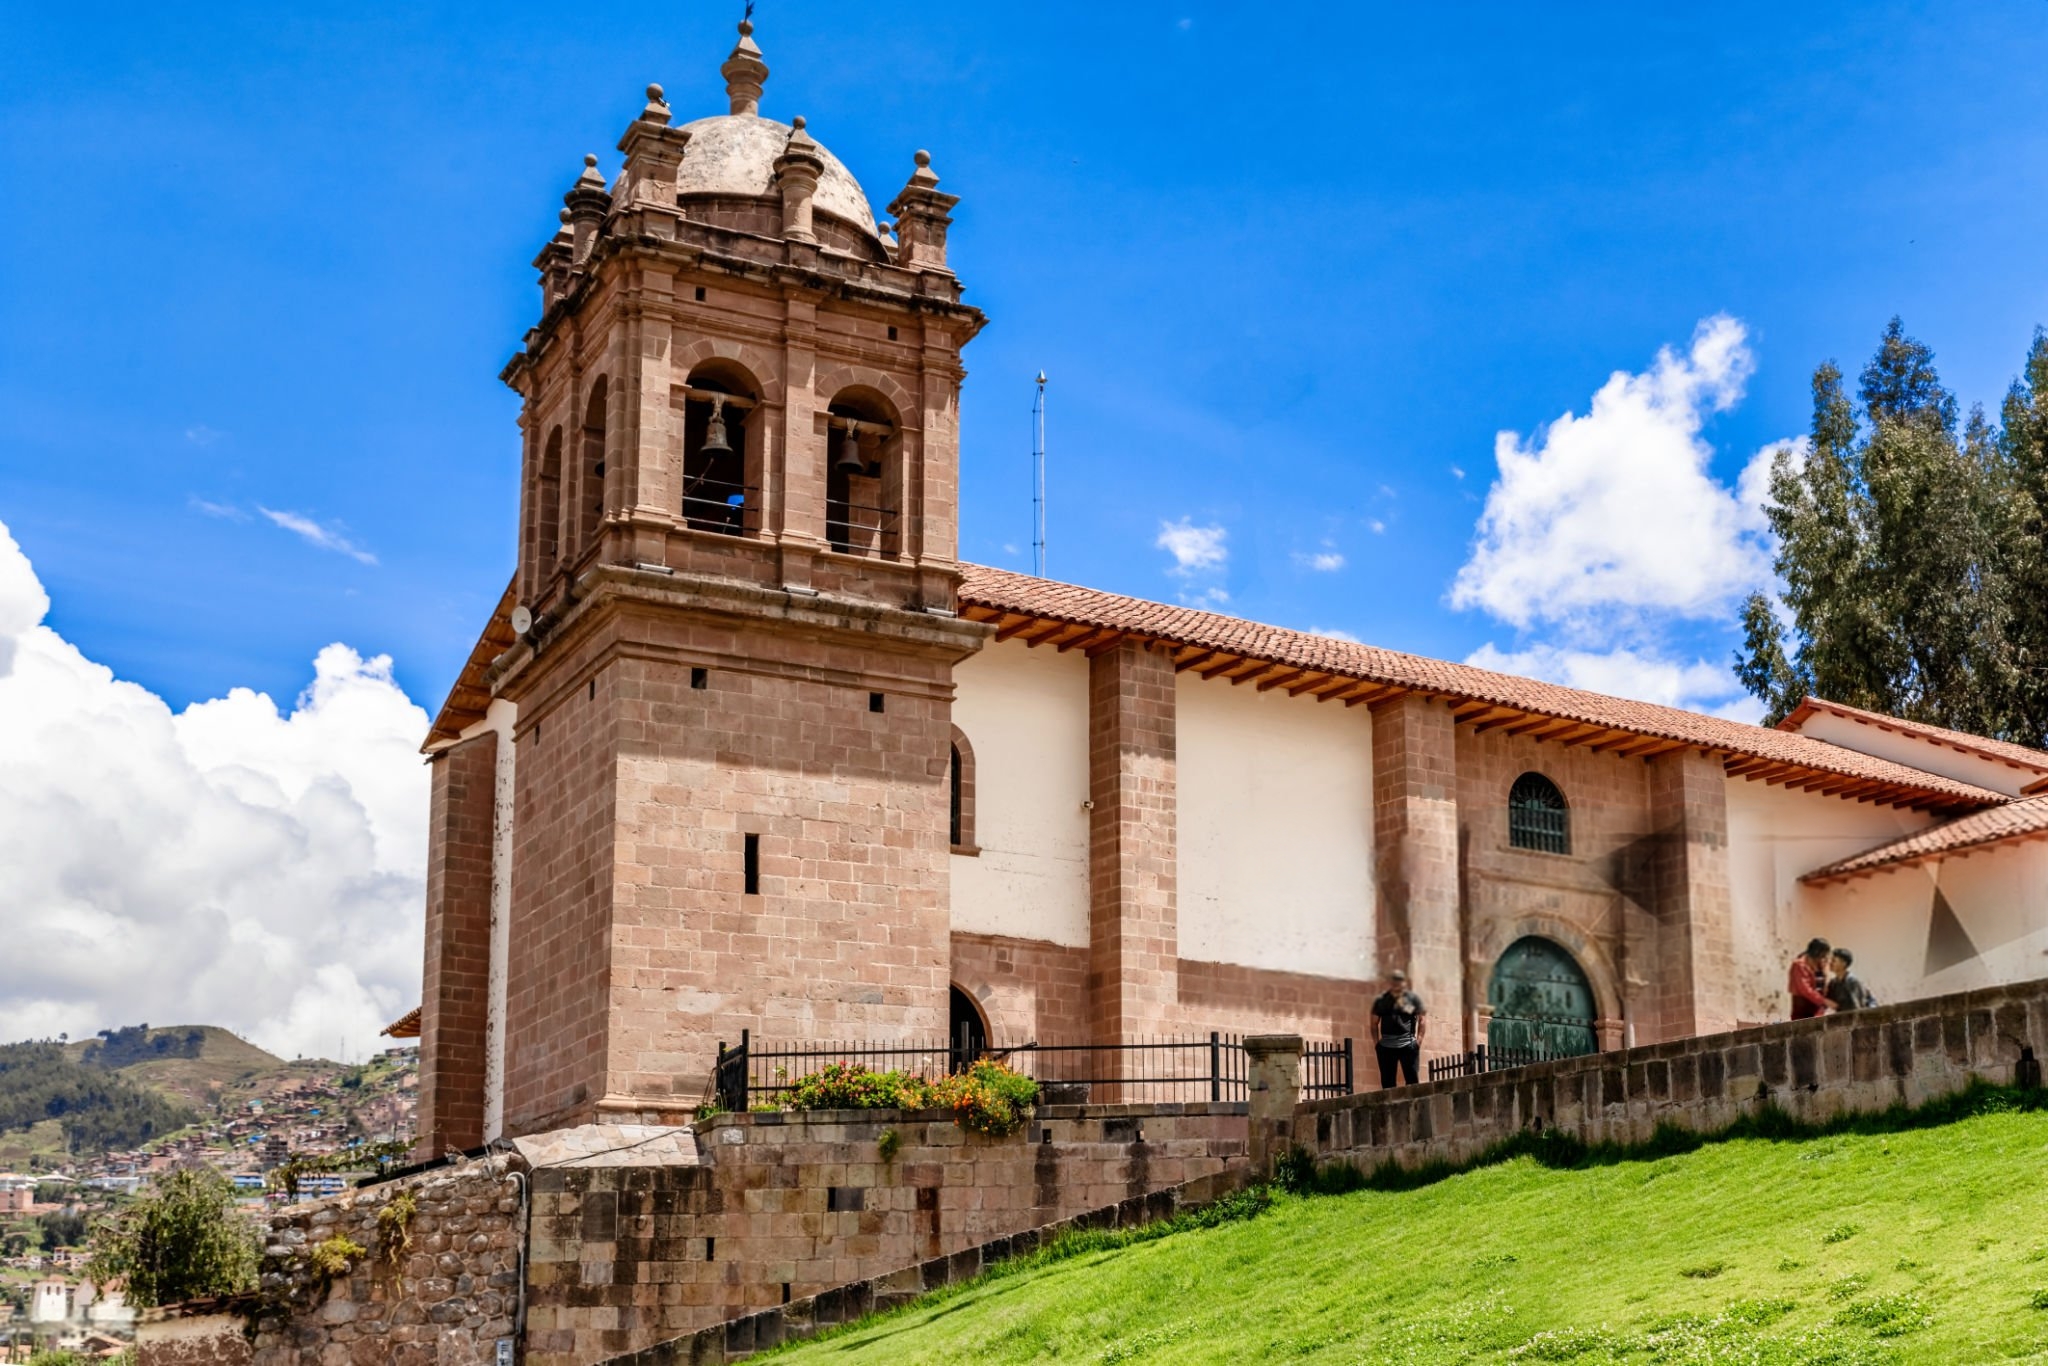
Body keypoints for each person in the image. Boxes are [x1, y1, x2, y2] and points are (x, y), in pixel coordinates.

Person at [1370, 970, 1427, 1088]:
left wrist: (1418, 1041)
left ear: (1404, 983)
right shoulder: (1381, 1000)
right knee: (1387, 1084)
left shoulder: (1413, 999)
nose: (1396, 984)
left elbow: (1422, 1019)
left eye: (1399, 981)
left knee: (1412, 1082)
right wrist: (1377, 1044)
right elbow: (1374, 1023)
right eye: (1394, 981)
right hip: (1386, 1046)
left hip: (1408, 1044)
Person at [1789, 938, 1833, 1019]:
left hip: (1818, 1007)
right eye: (1823, 955)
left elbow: (1825, 982)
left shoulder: (1821, 963)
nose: (1824, 958)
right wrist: (1823, 1001)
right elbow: (1804, 989)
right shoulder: (1799, 965)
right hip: (1803, 1006)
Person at [1825, 947, 1876, 1012]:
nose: (1830, 963)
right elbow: (1828, 1002)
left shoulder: (1852, 981)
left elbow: (1858, 1006)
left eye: (1834, 961)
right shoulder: (1833, 983)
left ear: (1843, 963)